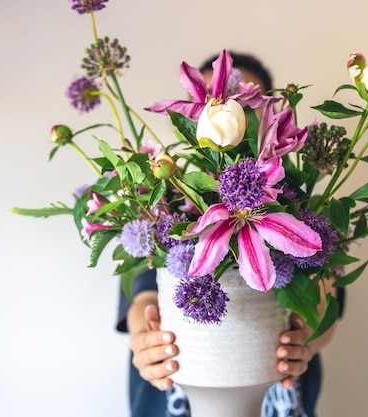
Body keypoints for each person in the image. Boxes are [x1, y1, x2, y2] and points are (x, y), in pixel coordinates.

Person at [116, 51, 346, 417]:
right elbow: (143, 295)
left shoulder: (303, 207)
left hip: (279, 395)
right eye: (208, 101)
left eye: (242, 101)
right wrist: (146, 341)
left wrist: (306, 339)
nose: (220, 109)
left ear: (266, 116)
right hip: (174, 390)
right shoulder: (165, 204)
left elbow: (323, 298)